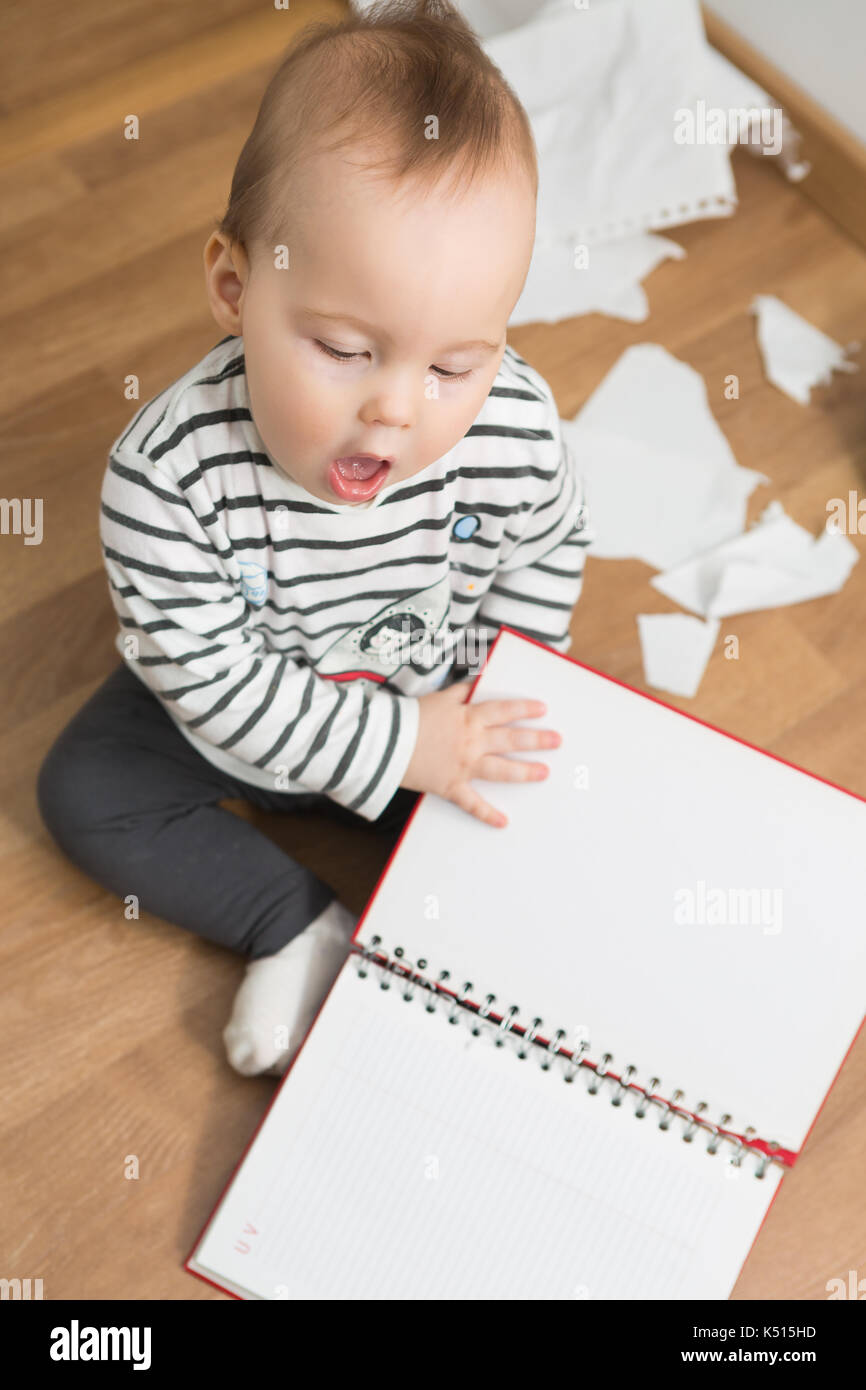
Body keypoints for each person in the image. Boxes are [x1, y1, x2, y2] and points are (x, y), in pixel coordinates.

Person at [36, 0, 593, 1078]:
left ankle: (435, 972)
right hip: (233, 716)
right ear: (235, 286)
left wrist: (496, 688)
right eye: (343, 347)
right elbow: (210, 680)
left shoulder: (513, 426)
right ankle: (294, 921)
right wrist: (395, 752)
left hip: (425, 697)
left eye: (452, 366)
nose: (397, 410)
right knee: (86, 791)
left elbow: (547, 540)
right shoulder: (167, 477)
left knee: (525, 824)